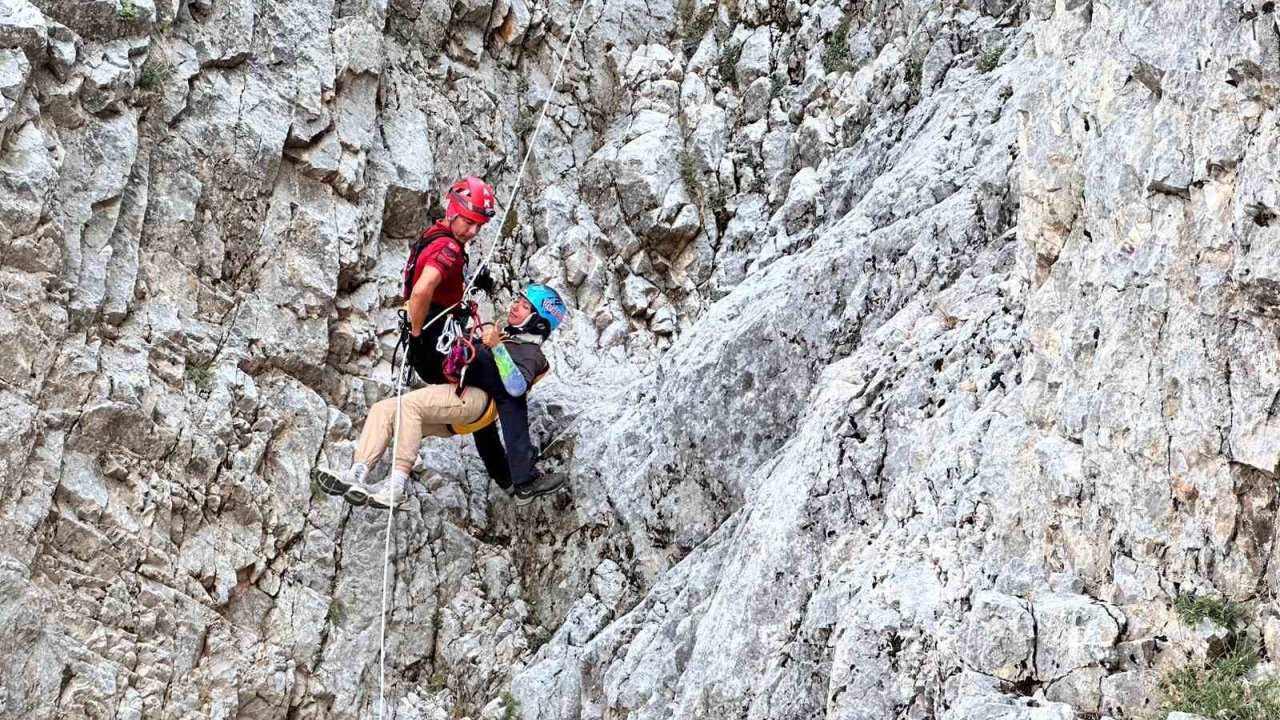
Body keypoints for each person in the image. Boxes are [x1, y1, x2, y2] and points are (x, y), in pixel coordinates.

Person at [312, 284, 570, 507]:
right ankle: (357, 472)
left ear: (538, 322)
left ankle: (396, 486)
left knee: (408, 408)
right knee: (384, 409)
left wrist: (497, 347)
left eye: (525, 306)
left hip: (475, 399)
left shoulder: (532, 354)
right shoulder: (504, 337)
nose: (515, 306)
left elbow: (516, 387)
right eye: (518, 300)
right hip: (459, 403)